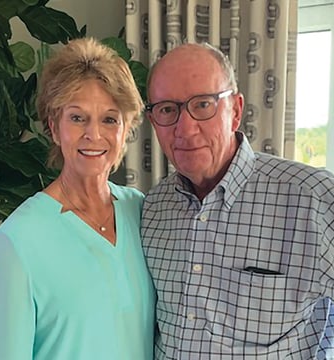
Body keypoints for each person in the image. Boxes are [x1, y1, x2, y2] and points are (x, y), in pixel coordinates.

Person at [142, 42, 334, 359]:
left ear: (235, 111)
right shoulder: (153, 209)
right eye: (167, 110)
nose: (185, 129)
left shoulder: (313, 199)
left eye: (203, 105)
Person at [0, 37, 155, 360]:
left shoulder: (141, 211)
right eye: (77, 118)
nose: (94, 134)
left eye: (109, 119)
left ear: (126, 128)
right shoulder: (19, 241)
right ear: (53, 126)